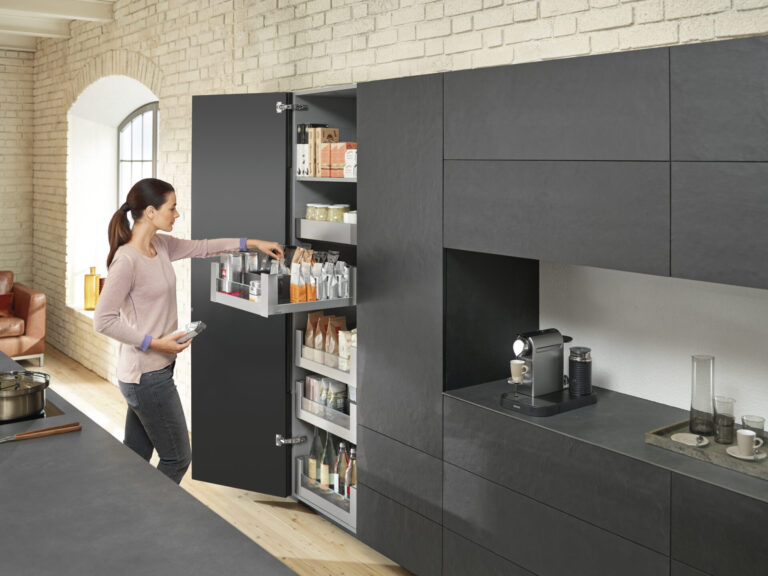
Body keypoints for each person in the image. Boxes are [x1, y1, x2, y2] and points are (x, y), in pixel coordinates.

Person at [94, 178, 283, 483]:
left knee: (135, 456)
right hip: (146, 375)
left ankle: (125, 518)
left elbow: (204, 247)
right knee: (177, 458)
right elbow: (102, 319)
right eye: (172, 207)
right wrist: (155, 343)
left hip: (151, 372)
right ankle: (152, 523)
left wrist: (253, 244)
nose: (177, 214)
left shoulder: (161, 245)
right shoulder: (127, 260)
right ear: (151, 212)